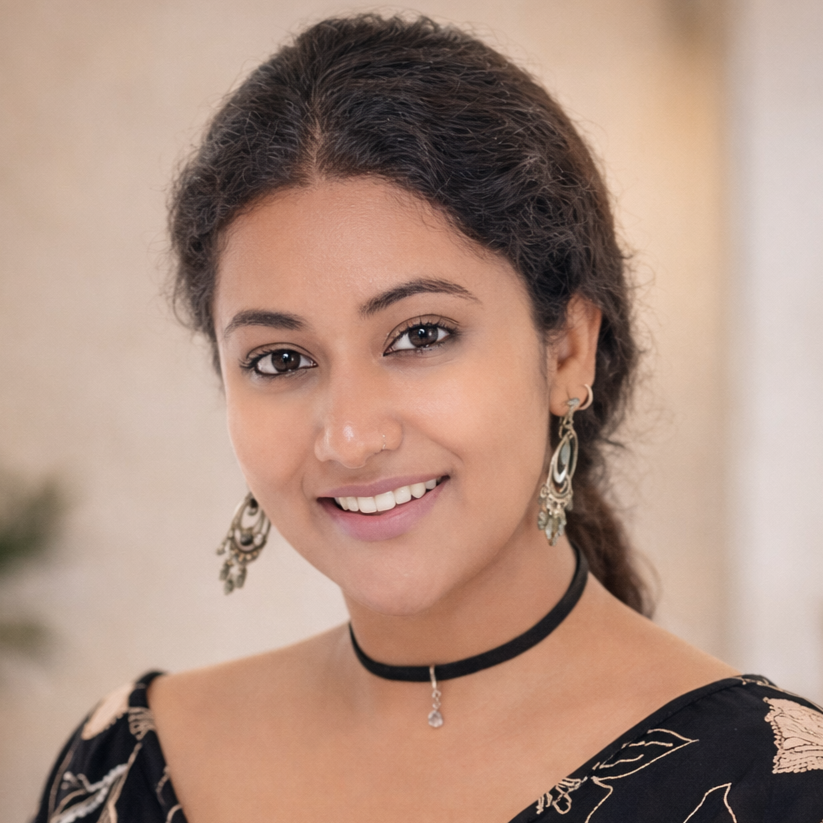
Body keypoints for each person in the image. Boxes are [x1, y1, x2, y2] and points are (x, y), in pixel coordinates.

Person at [33, 13, 823, 823]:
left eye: (419, 335)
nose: (349, 435)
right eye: (280, 358)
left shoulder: (780, 784)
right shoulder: (123, 762)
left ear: (566, 354)